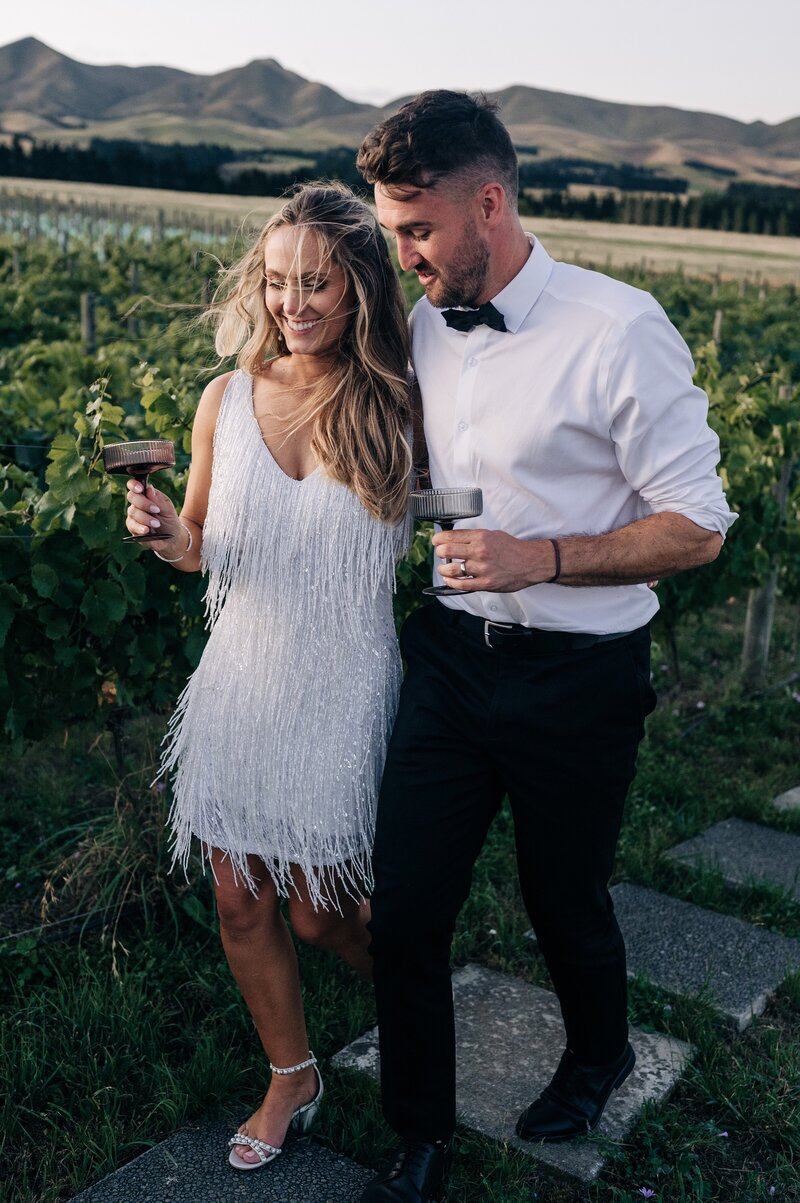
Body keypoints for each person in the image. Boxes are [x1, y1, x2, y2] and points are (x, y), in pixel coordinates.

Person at [355, 91, 738, 1202]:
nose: (405, 256)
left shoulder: (617, 329)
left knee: (560, 894)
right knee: (409, 904)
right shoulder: (423, 318)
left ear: (488, 203)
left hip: (579, 675)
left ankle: (598, 1054)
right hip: (448, 657)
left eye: (417, 230)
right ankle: (418, 1130)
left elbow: (698, 525)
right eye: (392, 232)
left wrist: (547, 558)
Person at [123, 182, 413, 1172]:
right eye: (279, 281)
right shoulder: (224, 400)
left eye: (317, 284)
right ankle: (292, 1074)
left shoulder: (399, 402)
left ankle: (411, 994)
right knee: (240, 901)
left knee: (321, 907)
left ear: (359, 289)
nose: (293, 302)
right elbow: (199, 546)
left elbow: (465, 508)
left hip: (341, 678)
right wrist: (166, 533)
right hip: (240, 678)